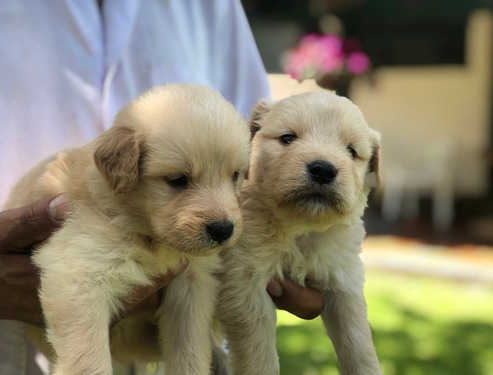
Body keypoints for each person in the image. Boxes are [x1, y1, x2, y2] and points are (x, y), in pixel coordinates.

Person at [0, 1, 323, 374]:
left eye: (234, 176)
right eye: (178, 180)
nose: (222, 215)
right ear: (119, 170)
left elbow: (262, 146)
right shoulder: (95, 204)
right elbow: (78, 284)